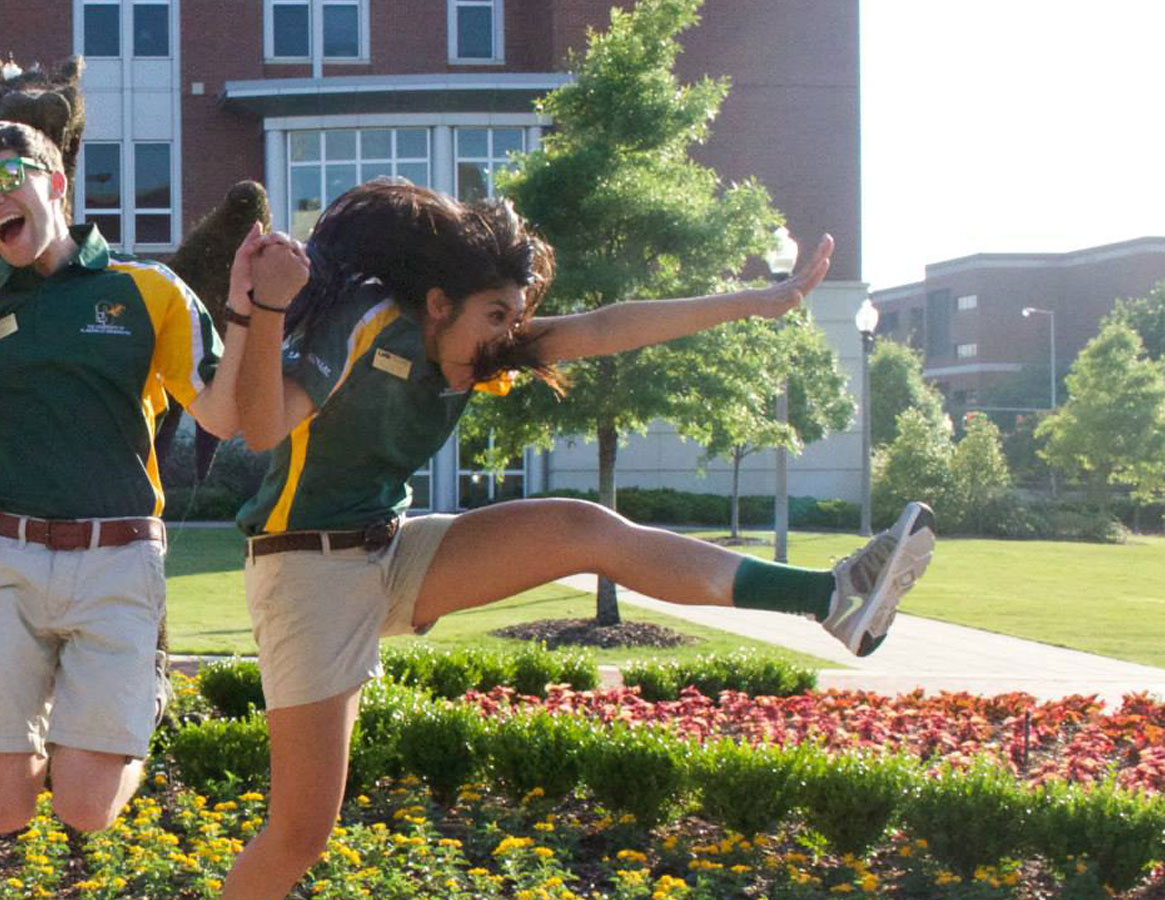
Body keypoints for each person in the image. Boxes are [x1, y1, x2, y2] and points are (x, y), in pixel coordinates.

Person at [216, 179, 936, 900]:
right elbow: (262, 425)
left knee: (584, 529)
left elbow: (603, 327)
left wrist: (756, 302)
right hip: (306, 572)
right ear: (438, 305)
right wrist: (270, 305)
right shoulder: (368, 319)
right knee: (301, 834)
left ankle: (832, 599)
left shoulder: (480, 346)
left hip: (391, 550)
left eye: (517, 317)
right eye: (496, 315)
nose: (508, 337)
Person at [0, 121, 246, 836]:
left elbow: (223, 412)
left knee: (84, 808)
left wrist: (257, 314)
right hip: (6, 559)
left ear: (57, 184)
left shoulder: (147, 289)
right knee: (1, 810)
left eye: (8, 180)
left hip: (118, 558)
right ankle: (62, 723)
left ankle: (141, 696)